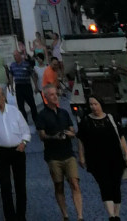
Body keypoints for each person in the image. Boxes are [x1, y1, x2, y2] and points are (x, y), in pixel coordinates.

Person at [77, 94, 127, 218]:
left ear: (101, 105)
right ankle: (111, 216)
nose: (93, 107)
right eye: (91, 105)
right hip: (97, 160)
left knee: (116, 187)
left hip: (115, 158)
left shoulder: (111, 118)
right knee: (105, 186)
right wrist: (81, 156)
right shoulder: (86, 121)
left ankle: (116, 215)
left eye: (95, 104)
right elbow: (81, 139)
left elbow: (121, 137)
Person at [34, 89, 83, 221]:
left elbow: (73, 130)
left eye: (56, 94)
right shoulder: (42, 115)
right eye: (52, 95)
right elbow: (41, 135)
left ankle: (80, 216)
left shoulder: (64, 113)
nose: (55, 97)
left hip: (68, 153)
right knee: (59, 185)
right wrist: (54, 137)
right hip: (53, 156)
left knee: (74, 183)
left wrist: (70, 134)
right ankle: (65, 214)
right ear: (46, 98)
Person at [0, 86, 29, 221]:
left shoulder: (15, 111)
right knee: (5, 186)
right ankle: (9, 217)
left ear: (4, 96)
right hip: (1, 151)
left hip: (17, 150)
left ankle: (21, 216)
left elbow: (25, 130)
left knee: (20, 185)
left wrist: (24, 143)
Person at [8, 46, 39, 127]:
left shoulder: (26, 64)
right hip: (19, 87)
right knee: (21, 106)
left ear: (20, 56)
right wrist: (11, 86)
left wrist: (36, 86)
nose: (15, 57)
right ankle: (25, 122)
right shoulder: (13, 65)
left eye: (16, 55)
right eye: (14, 56)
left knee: (32, 104)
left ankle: (36, 120)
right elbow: (11, 75)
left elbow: (32, 75)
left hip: (27, 86)